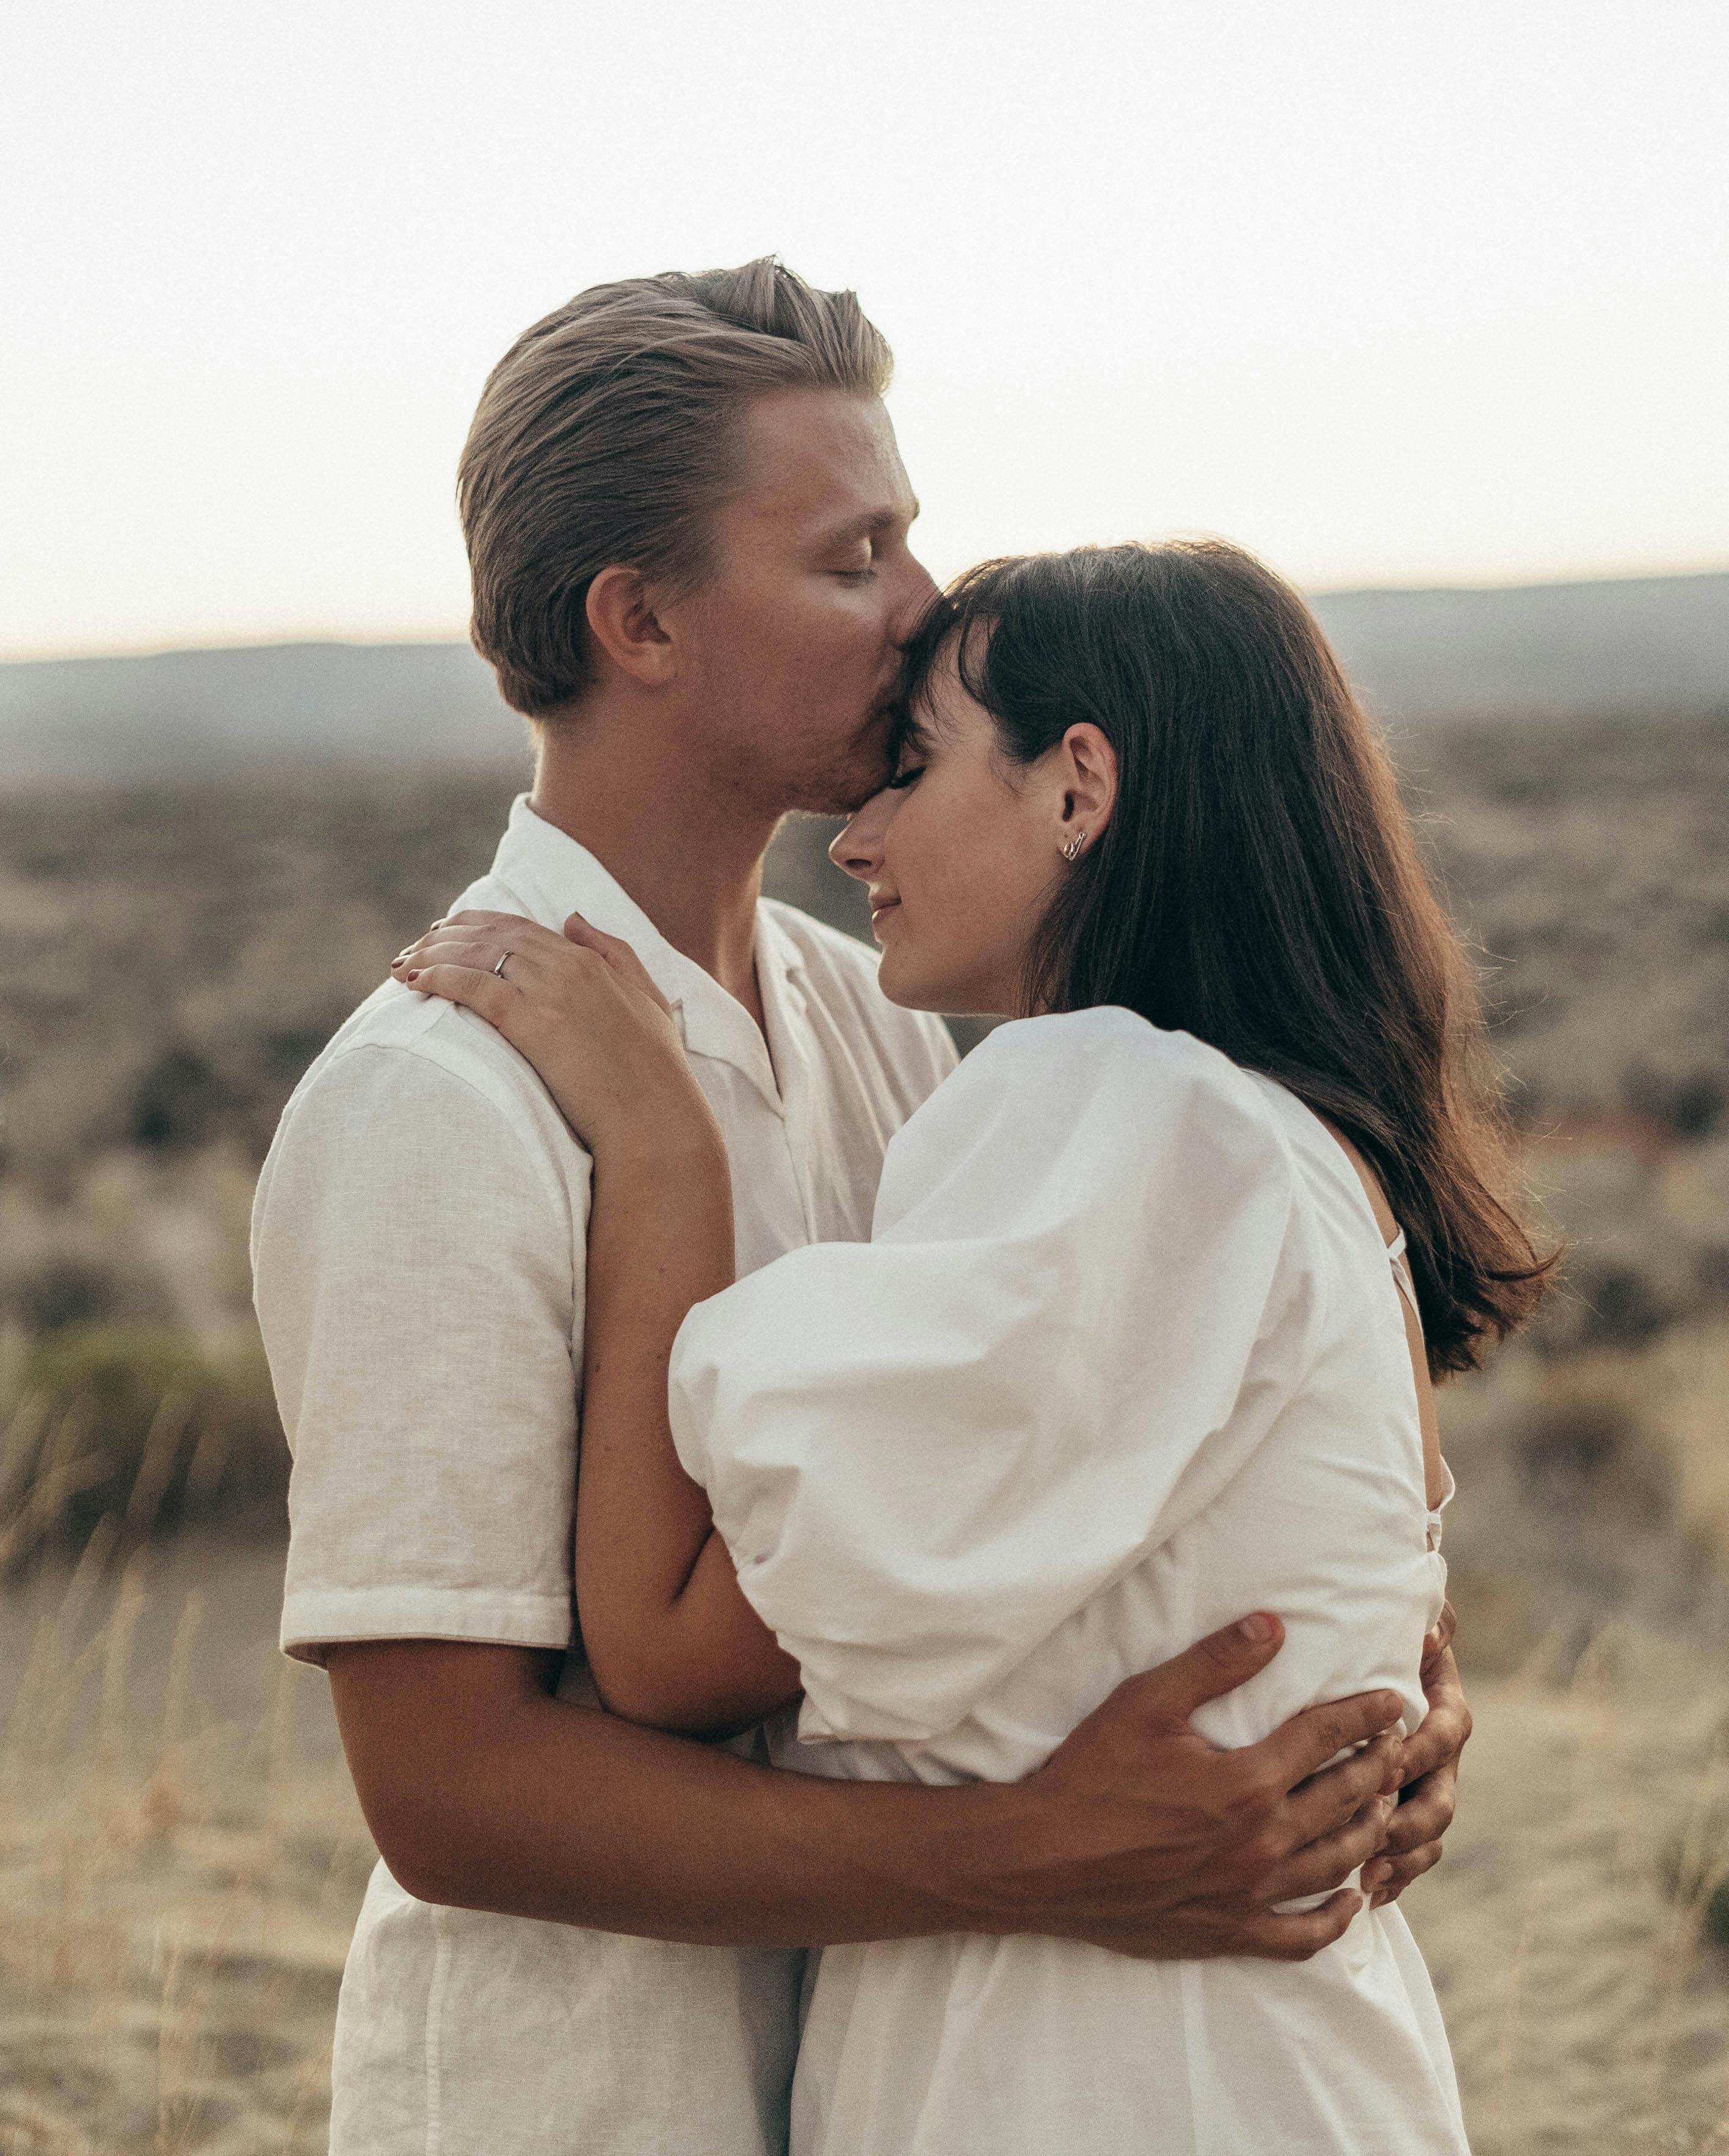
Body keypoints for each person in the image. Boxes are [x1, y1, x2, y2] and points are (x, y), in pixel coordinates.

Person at [253, 263, 1468, 2156]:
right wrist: (1036, 1862)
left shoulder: (892, 1030)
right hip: (591, 2108)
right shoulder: (439, 1100)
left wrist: (1359, 1702)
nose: (923, 607)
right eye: (854, 556)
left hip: (949, 2078)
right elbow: (453, 1795)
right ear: (640, 619)